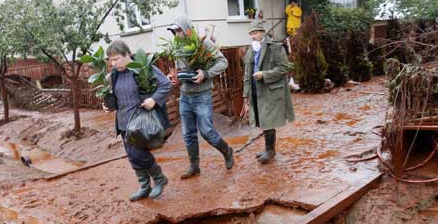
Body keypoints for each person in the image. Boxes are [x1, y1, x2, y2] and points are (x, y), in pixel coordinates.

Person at [167, 15, 234, 179]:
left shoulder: (204, 44)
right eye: (174, 32)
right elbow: (181, 70)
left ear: (187, 29)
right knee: (188, 134)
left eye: (178, 31)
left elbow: (222, 62)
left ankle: (227, 151)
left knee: (206, 131)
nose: (176, 35)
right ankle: (194, 166)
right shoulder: (178, 49)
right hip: (185, 96)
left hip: (202, 96)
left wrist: (206, 73)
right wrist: (176, 79)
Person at [103, 40, 172, 201]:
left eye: (116, 59)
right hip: (123, 122)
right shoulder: (115, 75)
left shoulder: (142, 68)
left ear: (127, 54)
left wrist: (154, 99)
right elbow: (118, 96)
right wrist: (109, 105)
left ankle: (159, 178)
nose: (113, 63)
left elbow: (166, 84)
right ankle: (144, 186)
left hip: (140, 122)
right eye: (110, 60)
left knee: (138, 154)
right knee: (132, 156)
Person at [241, 20, 295, 164]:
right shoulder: (250, 50)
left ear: (263, 33)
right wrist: (245, 96)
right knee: (262, 120)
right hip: (255, 91)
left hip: (270, 90)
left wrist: (265, 74)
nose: (253, 36)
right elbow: (246, 75)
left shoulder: (276, 47)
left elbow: (284, 68)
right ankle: (268, 148)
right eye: (251, 34)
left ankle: (270, 151)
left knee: (268, 120)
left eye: (256, 33)